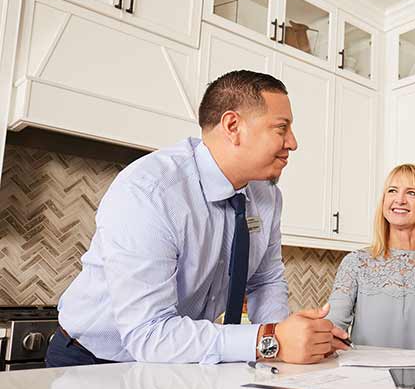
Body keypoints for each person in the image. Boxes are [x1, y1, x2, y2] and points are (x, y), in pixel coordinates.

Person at [47, 70, 349, 367]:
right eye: (281, 128)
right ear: (233, 126)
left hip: (173, 360)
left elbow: (264, 281)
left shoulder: (267, 196)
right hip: (91, 360)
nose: (293, 142)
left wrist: (293, 339)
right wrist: (271, 341)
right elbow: (149, 334)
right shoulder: (150, 191)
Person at [327, 164, 415, 354]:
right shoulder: (356, 263)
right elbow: (333, 328)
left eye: (411, 193)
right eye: (392, 191)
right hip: (366, 380)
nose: (399, 200)